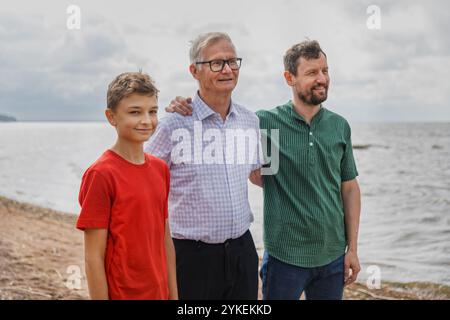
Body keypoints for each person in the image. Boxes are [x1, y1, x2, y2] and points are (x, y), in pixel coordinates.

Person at [166, 40, 361, 300]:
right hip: (284, 257)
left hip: (333, 255)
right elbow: (243, 156)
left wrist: (352, 249)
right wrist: (181, 105)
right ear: (289, 78)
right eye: (312, 73)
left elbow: (349, 188)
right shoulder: (264, 122)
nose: (322, 78)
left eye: (325, 71)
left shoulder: (340, 126)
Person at [144, 32, 261, 299]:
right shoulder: (174, 123)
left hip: (242, 250)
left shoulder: (249, 120)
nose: (228, 69)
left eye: (233, 62)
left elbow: (257, 174)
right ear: (194, 71)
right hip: (192, 256)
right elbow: (143, 182)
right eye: (217, 63)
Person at [76, 72, 178, 300]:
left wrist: (173, 294)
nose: (146, 120)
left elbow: (165, 239)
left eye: (152, 111)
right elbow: (93, 257)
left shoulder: (161, 169)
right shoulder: (101, 174)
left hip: (159, 292)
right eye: (135, 112)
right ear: (111, 117)